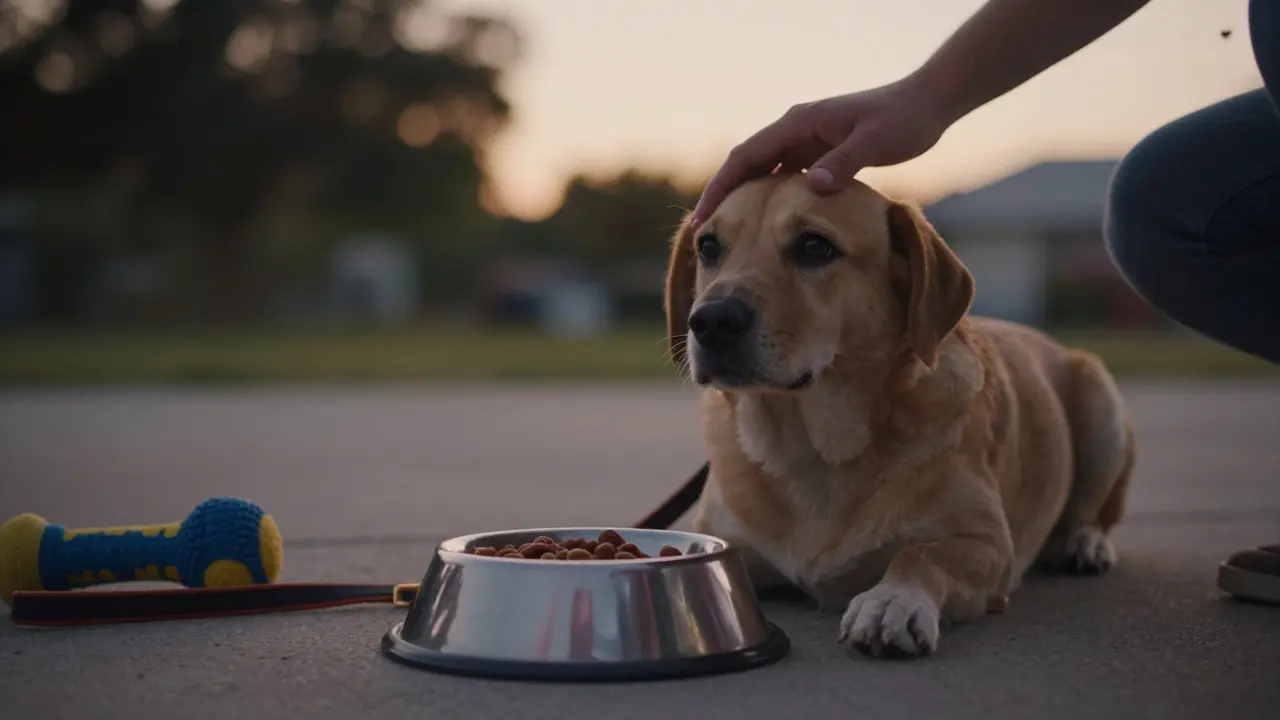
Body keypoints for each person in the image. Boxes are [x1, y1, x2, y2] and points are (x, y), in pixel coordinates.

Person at [691, 0, 1280, 605]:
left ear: (910, 288)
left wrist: (922, 579)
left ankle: (1079, 523)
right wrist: (924, 96)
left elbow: (978, 549)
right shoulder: (733, 468)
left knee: (1089, 388)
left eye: (812, 248)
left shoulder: (946, 407)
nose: (718, 306)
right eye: (712, 249)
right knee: (1158, 201)